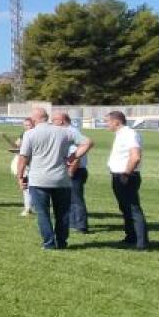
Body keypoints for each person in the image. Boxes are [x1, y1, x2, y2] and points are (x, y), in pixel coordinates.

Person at [15, 107, 94, 250]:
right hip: (62, 179)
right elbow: (88, 142)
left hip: (39, 179)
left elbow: (23, 157)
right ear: (47, 118)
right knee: (62, 213)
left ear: (34, 119)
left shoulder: (30, 134)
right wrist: (74, 156)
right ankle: (62, 242)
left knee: (43, 214)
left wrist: (20, 176)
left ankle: (49, 243)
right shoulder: (65, 131)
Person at [105, 110, 149, 250]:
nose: (106, 124)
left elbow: (135, 156)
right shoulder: (121, 134)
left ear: (116, 121)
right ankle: (131, 237)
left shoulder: (129, 134)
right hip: (119, 175)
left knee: (133, 208)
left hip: (126, 175)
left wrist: (126, 174)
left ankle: (141, 242)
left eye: (108, 121)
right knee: (125, 208)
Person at [54, 111, 90, 234]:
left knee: (76, 198)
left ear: (61, 120)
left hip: (76, 169)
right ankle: (73, 222)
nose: (53, 123)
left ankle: (80, 225)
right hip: (74, 168)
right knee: (70, 198)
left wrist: (71, 169)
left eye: (54, 120)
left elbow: (76, 154)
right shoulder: (69, 131)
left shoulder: (71, 132)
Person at [9, 117, 35, 216]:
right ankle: (28, 207)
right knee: (25, 184)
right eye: (25, 125)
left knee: (31, 185)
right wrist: (14, 146)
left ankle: (29, 207)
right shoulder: (24, 134)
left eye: (28, 125)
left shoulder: (35, 134)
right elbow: (17, 145)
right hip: (24, 161)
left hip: (32, 162)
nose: (26, 127)